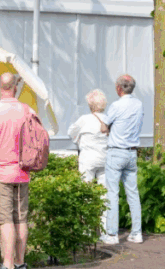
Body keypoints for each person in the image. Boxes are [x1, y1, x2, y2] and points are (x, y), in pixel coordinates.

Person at [0, 73, 33, 269]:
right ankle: (20, 263)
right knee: (21, 219)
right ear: (15, 88)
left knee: (5, 221)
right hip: (22, 173)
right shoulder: (27, 110)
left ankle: (8, 265)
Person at [99, 75, 143, 245]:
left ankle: (111, 234)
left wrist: (106, 126)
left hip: (116, 152)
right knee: (133, 193)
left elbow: (104, 127)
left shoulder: (116, 106)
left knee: (112, 193)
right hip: (132, 153)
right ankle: (136, 233)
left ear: (119, 88)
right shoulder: (139, 104)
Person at [68, 89, 109, 234]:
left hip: (88, 159)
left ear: (90, 104)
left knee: (86, 193)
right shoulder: (109, 118)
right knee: (104, 195)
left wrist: (79, 140)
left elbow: (71, 132)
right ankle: (105, 231)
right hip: (105, 159)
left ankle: (87, 230)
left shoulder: (84, 119)